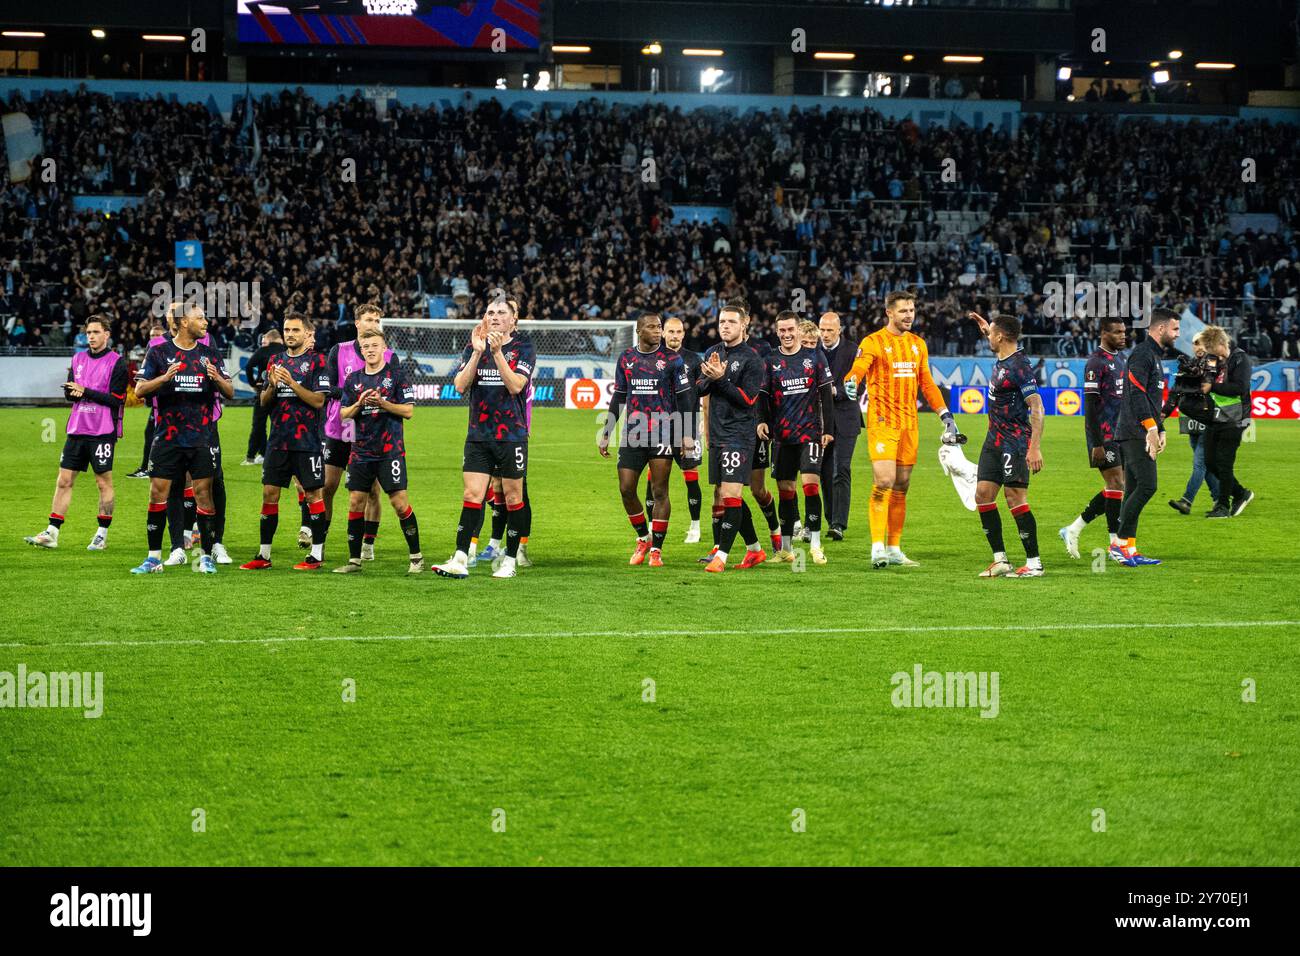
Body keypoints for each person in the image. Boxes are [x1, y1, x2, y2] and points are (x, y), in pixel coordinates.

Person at [844, 291, 964, 569]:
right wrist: (852, 381)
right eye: (903, 311)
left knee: (901, 485)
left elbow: (927, 383)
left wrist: (945, 414)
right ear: (889, 313)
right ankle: (877, 548)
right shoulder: (873, 341)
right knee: (884, 481)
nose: (909, 315)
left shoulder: (917, 344)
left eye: (912, 310)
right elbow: (859, 367)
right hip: (883, 422)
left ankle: (894, 548)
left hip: (910, 423)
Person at [433, 294, 534, 580]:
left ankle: (510, 560)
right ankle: (461, 557)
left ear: (512, 319)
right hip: (478, 434)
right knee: (472, 495)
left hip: (511, 435)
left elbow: (516, 386)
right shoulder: (473, 347)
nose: (494, 317)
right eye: (490, 312)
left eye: (501, 312)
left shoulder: (524, 348)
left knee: (514, 497)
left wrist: (498, 352)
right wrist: (478, 353)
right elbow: (460, 385)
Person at [130, 304, 233, 574]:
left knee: (203, 495)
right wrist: (165, 377)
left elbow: (230, 390)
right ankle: (154, 558)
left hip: (202, 437)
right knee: (157, 493)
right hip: (167, 437)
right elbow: (140, 389)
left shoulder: (209, 354)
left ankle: (205, 557)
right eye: (200, 318)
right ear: (184, 321)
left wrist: (217, 379)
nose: (206, 322)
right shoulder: (159, 352)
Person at [598, 312, 693, 567]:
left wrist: (687, 435)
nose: (658, 331)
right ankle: (643, 537)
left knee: (659, 490)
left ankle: (656, 550)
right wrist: (607, 431)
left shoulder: (673, 360)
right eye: (652, 327)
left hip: (664, 432)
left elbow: (685, 399)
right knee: (626, 488)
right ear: (639, 330)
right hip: (632, 433)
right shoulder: (627, 358)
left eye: (659, 327)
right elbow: (619, 395)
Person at [238, 313, 331, 571]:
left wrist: (292, 383)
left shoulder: (318, 362)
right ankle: (264, 555)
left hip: (307, 441)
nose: (290, 334)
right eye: (287, 330)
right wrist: (272, 387)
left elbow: (318, 401)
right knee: (269, 493)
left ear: (306, 333)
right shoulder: (275, 361)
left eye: (295, 330)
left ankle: (316, 556)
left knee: (313, 494)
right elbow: (265, 402)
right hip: (278, 440)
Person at [24, 315, 126, 551]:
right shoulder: (78, 359)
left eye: (96, 332)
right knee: (64, 480)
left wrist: (85, 391)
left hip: (102, 431)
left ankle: (101, 535)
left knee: (103, 483)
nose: (91, 336)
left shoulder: (116, 362)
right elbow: (72, 394)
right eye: (88, 332)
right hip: (77, 429)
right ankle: (52, 532)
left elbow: (116, 400)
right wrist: (72, 391)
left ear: (107, 334)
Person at [333, 328, 423, 574]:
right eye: (366, 347)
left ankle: (416, 557)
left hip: (390, 450)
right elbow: (343, 414)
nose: (370, 350)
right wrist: (360, 403)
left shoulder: (397, 376)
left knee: (399, 503)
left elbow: (408, 411)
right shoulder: (353, 380)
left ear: (384, 348)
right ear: (361, 351)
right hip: (361, 451)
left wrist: (383, 403)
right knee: (355, 502)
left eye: (375, 345)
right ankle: (354, 561)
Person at [966, 312, 1045, 578]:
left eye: (991, 334)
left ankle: (1034, 563)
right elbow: (999, 346)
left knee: (1014, 498)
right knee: (983, 495)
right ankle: (1000, 560)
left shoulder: (1020, 367)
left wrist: (1034, 447)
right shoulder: (1003, 358)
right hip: (993, 441)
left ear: (1001, 337)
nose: (987, 337)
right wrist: (987, 329)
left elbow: (1037, 407)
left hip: (1015, 441)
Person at [697, 303, 767, 573]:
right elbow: (700, 388)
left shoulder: (752, 359)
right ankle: (755, 551)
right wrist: (710, 378)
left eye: (731, 322)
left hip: (739, 434)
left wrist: (722, 379)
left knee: (731, 493)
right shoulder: (712, 352)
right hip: (717, 432)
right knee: (728, 495)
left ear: (743, 325)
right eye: (722, 322)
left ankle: (722, 557)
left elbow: (748, 400)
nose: (725, 326)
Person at [764, 311, 834, 564]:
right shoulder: (770, 360)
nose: (786, 334)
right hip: (782, 436)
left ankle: (815, 545)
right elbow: (764, 396)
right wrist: (763, 421)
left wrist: (829, 430)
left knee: (810, 485)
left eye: (790, 329)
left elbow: (826, 394)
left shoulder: (814, 358)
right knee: (785, 490)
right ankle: (785, 549)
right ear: (777, 331)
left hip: (810, 432)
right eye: (781, 330)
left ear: (797, 329)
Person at [1113, 307, 1181, 566]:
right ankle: (1119, 544)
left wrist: (1160, 428)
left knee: (1133, 489)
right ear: (1160, 328)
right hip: (1135, 431)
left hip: (1140, 429)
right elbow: (1136, 394)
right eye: (1175, 329)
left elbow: (1151, 398)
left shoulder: (1153, 355)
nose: (1177, 334)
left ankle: (1128, 548)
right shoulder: (1142, 354)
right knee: (1148, 486)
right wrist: (1151, 428)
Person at [322, 303, 390, 561]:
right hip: (340, 428)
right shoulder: (339, 351)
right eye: (369, 320)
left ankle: (368, 544)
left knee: (372, 490)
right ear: (357, 323)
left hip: (370, 431)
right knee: (328, 486)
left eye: (377, 320)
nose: (373, 324)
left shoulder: (388, 354)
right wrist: (355, 396)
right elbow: (328, 386)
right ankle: (321, 540)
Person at [1060, 317, 1127, 559]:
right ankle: (1115, 545)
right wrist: (1097, 443)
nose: (1123, 336)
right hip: (1104, 434)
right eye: (1118, 332)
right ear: (1104, 334)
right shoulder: (1095, 363)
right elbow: (1090, 406)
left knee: (1118, 486)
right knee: (1117, 484)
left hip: (1121, 433)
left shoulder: (1120, 359)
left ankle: (1073, 529)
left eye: (1124, 332)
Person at [643, 315, 704, 544]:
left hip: (687, 427)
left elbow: (701, 392)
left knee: (691, 478)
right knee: (653, 480)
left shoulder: (694, 361)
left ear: (683, 334)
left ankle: (695, 526)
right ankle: (651, 527)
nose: (674, 336)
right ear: (663, 333)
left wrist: (699, 423)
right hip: (660, 428)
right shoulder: (653, 359)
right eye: (670, 332)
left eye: (679, 332)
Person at [1198, 325, 1255, 518]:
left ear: (1223, 344)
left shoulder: (1241, 359)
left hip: (1236, 417)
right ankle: (1240, 493)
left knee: (1224, 462)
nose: (1211, 354)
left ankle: (1222, 506)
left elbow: (1240, 387)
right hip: (1216, 417)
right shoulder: (1212, 360)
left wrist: (1211, 387)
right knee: (1210, 462)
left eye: (1213, 350)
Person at [818, 311, 862, 540]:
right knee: (824, 472)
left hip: (846, 418)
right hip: (820, 421)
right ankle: (829, 517)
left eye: (829, 330)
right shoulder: (812, 351)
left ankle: (839, 524)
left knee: (841, 469)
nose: (824, 335)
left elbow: (858, 387)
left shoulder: (853, 351)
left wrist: (835, 391)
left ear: (839, 331)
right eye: (822, 330)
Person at [1167, 333, 1220, 514]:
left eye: (1201, 344)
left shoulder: (1212, 360)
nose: (1198, 347)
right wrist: (1163, 414)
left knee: (1199, 464)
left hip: (1208, 419)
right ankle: (1220, 498)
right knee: (1205, 466)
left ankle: (1186, 501)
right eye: (1195, 344)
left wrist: (1191, 370)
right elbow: (1175, 392)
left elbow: (1208, 379)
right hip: (1190, 421)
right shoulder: (1188, 363)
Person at [126, 320, 167, 478]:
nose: (154, 338)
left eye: (157, 335)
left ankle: (148, 468)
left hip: (165, 401)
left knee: (154, 434)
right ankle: (150, 467)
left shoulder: (168, 351)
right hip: (156, 401)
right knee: (152, 433)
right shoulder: (153, 350)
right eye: (152, 335)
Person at [241, 329, 283, 466]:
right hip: (283, 392)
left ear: (270, 339)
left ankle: (250, 457)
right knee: (278, 425)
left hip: (264, 391)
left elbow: (248, 367)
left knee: (259, 425)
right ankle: (267, 454)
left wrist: (253, 383)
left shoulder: (264, 350)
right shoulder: (287, 350)